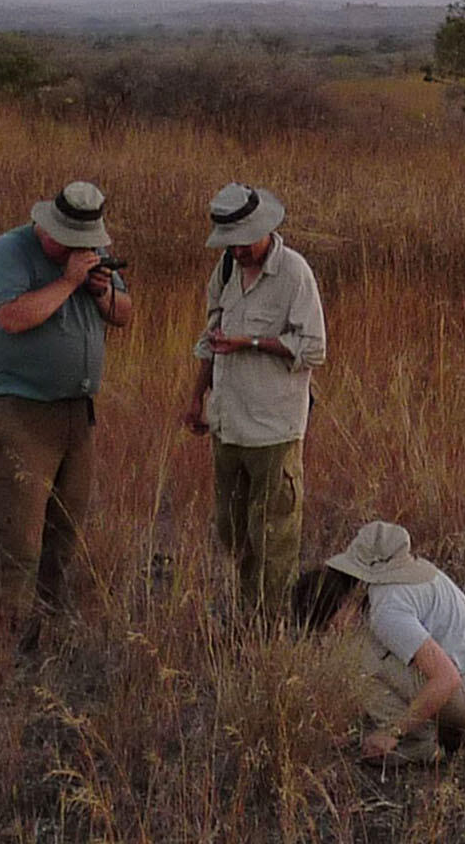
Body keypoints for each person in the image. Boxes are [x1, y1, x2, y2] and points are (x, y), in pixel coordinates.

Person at [0, 180, 132, 639]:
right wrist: (68, 282)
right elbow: (12, 317)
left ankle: (45, 619)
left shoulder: (91, 259)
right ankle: (4, 629)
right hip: (22, 410)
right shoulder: (10, 252)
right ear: (47, 227)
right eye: (71, 243)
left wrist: (100, 290)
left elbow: (125, 315)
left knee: (65, 526)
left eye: (87, 244)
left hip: (76, 414)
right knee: (16, 530)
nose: (80, 251)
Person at [181, 182, 328, 615]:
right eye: (229, 243)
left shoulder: (294, 273)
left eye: (243, 242)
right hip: (228, 424)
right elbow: (212, 339)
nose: (237, 251)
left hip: (273, 430)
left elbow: (315, 349)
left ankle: (269, 624)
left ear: (264, 229)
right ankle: (248, 610)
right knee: (233, 531)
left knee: (274, 537)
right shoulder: (225, 269)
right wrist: (196, 399)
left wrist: (253, 342)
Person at [293, 521, 465, 765]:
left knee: (351, 655)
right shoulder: (418, 575)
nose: (333, 632)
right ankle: (439, 728)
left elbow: (447, 678)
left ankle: (418, 743)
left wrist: (391, 732)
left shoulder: (387, 608)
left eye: (331, 624)